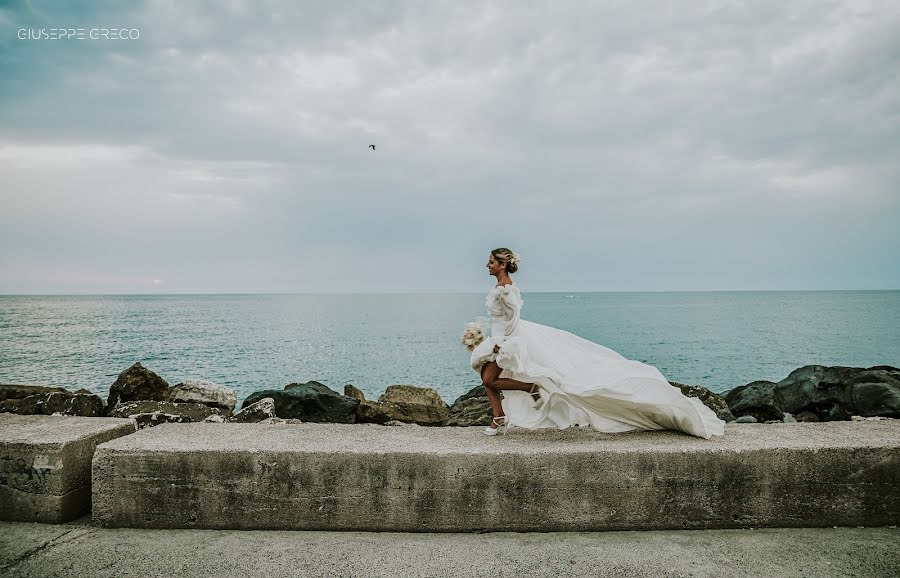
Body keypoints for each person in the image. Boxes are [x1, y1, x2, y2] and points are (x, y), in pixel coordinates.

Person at [472, 247, 726, 439]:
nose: (487, 265)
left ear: (503, 264)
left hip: (506, 338)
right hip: (499, 337)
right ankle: (500, 416)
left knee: (488, 379)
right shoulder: (499, 286)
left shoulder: (506, 288)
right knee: (486, 377)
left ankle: (529, 389)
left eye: (491, 262)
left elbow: (514, 317)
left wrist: (504, 343)